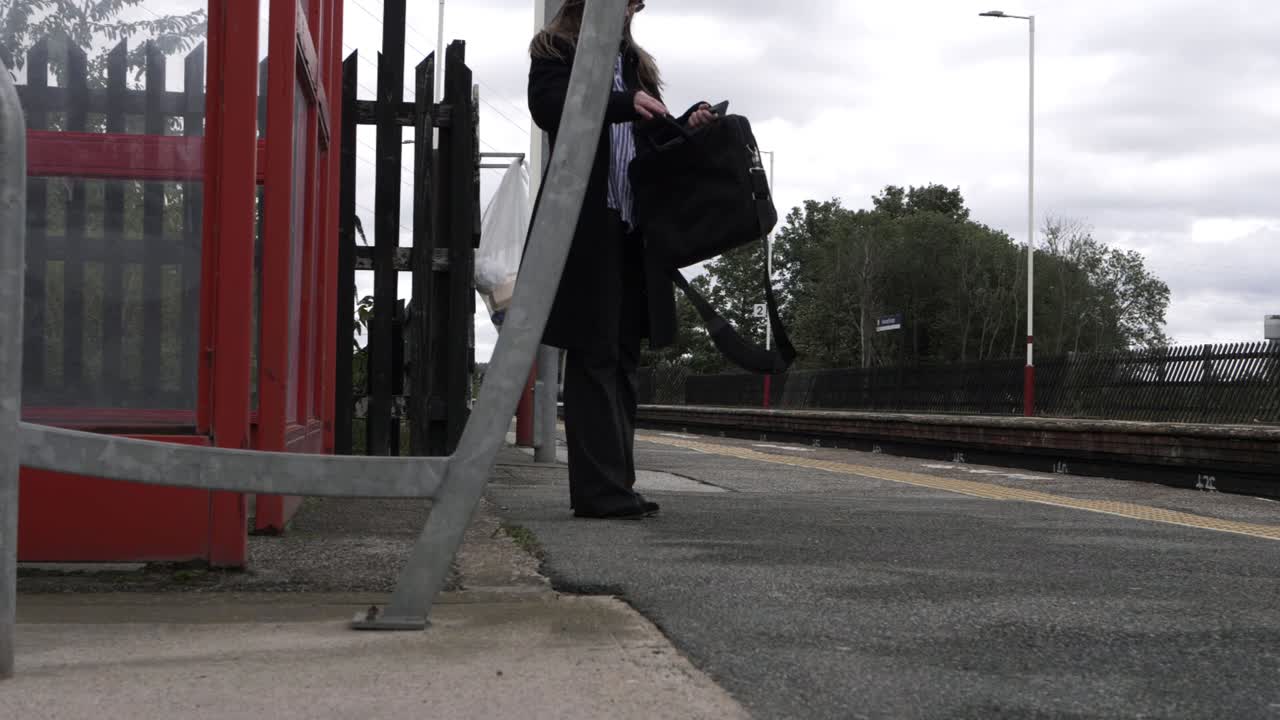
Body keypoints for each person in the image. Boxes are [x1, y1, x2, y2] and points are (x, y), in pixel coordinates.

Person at [528, 0, 718, 519]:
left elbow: (648, 142)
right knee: (595, 356)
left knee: (624, 359)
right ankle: (599, 493)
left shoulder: (637, 64)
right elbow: (551, 108)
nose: (636, 9)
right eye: (628, 1)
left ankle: (619, 485)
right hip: (588, 226)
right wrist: (624, 101)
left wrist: (686, 126)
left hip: (634, 230)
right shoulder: (555, 49)